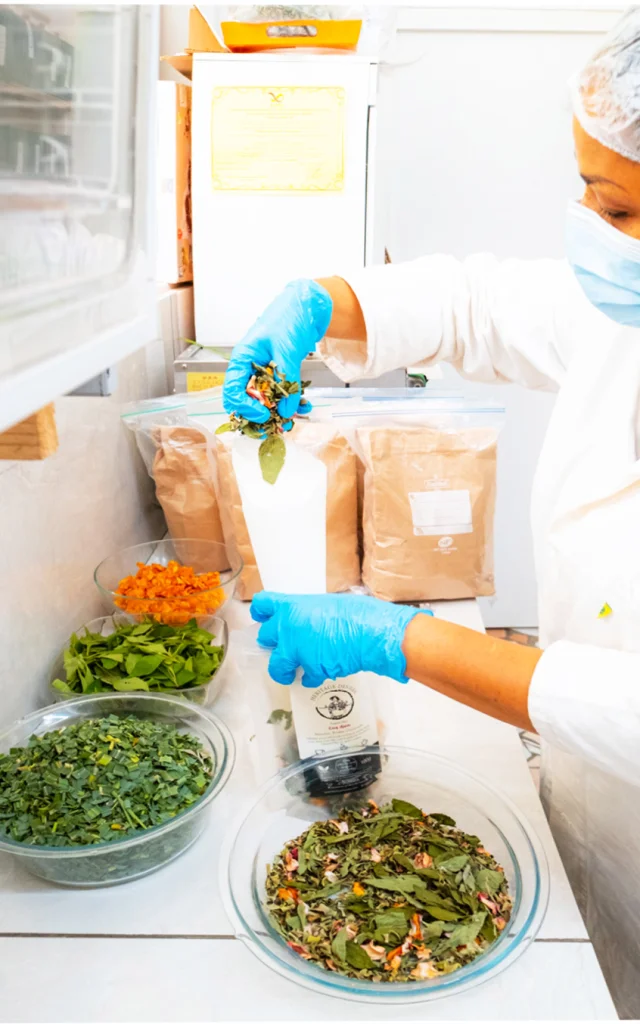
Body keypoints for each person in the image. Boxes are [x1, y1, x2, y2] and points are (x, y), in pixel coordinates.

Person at [223, 11, 640, 1016]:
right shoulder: (619, 315)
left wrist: (401, 638)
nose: (590, 228)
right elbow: (474, 306)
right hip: (590, 794)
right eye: (585, 193)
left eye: (618, 207)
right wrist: (320, 300)